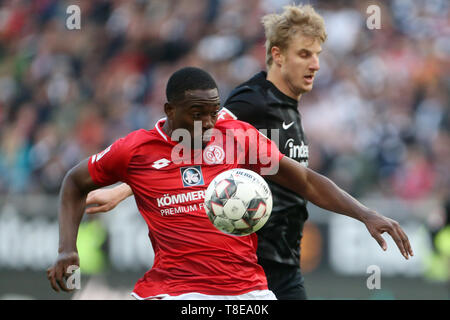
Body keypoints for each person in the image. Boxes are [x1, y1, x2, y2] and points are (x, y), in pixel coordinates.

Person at [67, 67, 414, 300]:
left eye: (214, 111)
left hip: (245, 292)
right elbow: (74, 182)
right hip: (174, 291)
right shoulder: (135, 150)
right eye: (196, 112)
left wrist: (364, 213)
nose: (207, 121)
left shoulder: (237, 139)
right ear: (170, 110)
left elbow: (305, 181)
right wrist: (67, 248)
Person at [86, 4, 325, 299]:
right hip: (251, 258)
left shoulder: (288, 108)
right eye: (304, 54)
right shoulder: (252, 102)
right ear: (277, 55)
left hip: (282, 257)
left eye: (317, 54)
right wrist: (123, 189)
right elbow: (187, 147)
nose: (315, 64)